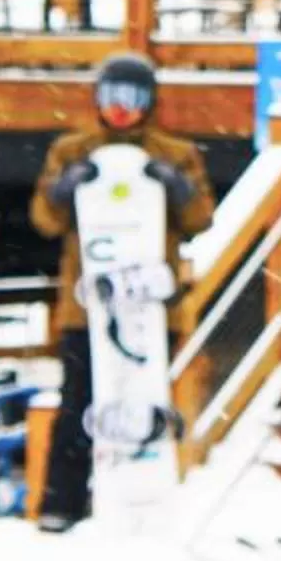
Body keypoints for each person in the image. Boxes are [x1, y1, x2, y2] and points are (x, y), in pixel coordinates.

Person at [27, 53, 211, 532]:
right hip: (84, 307)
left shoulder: (174, 153)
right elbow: (45, 220)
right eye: (113, 98)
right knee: (78, 403)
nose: (122, 110)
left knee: (144, 396)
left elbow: (198, 221)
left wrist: (177, 188)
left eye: (133, 99)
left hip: (151, 310)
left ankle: (144, 495)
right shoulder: (73, 150)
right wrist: (64, 190)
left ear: (150, 102)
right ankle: (63, 502)